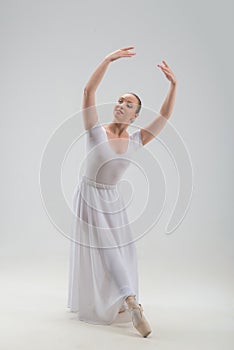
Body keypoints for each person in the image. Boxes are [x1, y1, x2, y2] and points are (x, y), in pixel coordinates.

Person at [67, 46, 177, 338]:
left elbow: (164, 115)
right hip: (89, 197)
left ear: (136, 115)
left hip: (112, 200)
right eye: (119, 100)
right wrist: (108, 60)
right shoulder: (96, 131)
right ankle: (130, 300)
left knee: (121, 252)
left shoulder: (137, 139)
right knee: (106, 251)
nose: (120, 105)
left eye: (128, 104)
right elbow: (88, 91)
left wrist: (173, 85)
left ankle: (125, 299)